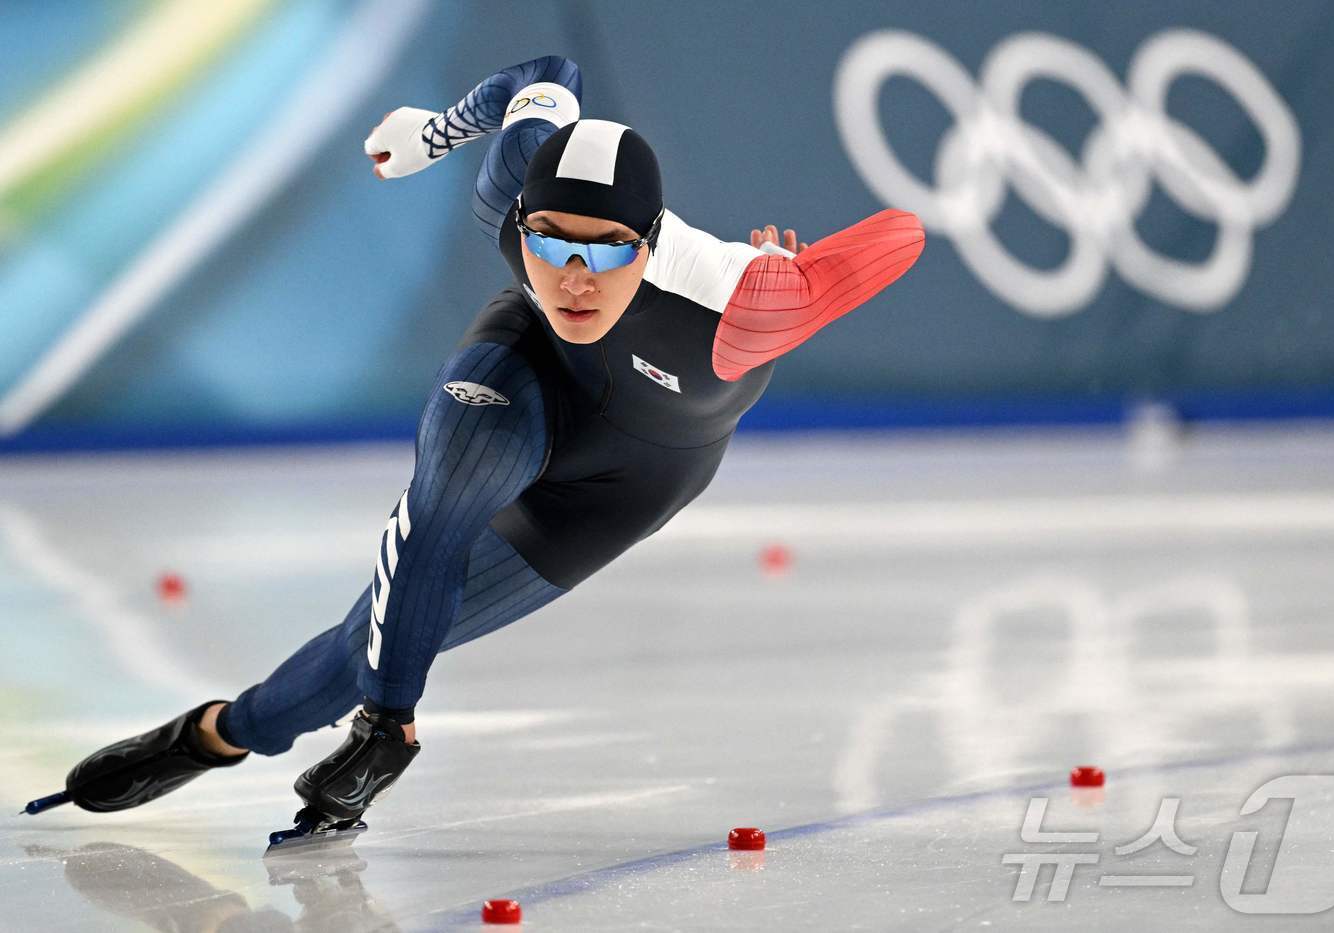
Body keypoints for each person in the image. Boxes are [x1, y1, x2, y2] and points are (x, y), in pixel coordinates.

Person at [29, 56, 924, 838]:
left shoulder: (742, 301)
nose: (574, 279)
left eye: (607, 255)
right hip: (525, 372)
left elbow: (905, 231)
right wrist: (437, 132)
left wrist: (794, 280)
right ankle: (390, 731)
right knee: (442, 503)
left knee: (356, 649)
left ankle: (217, 733)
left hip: (634, 474)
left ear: (649, 249)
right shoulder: (507, 190)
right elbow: (541, 76)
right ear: (520, 220)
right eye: (549, 243)